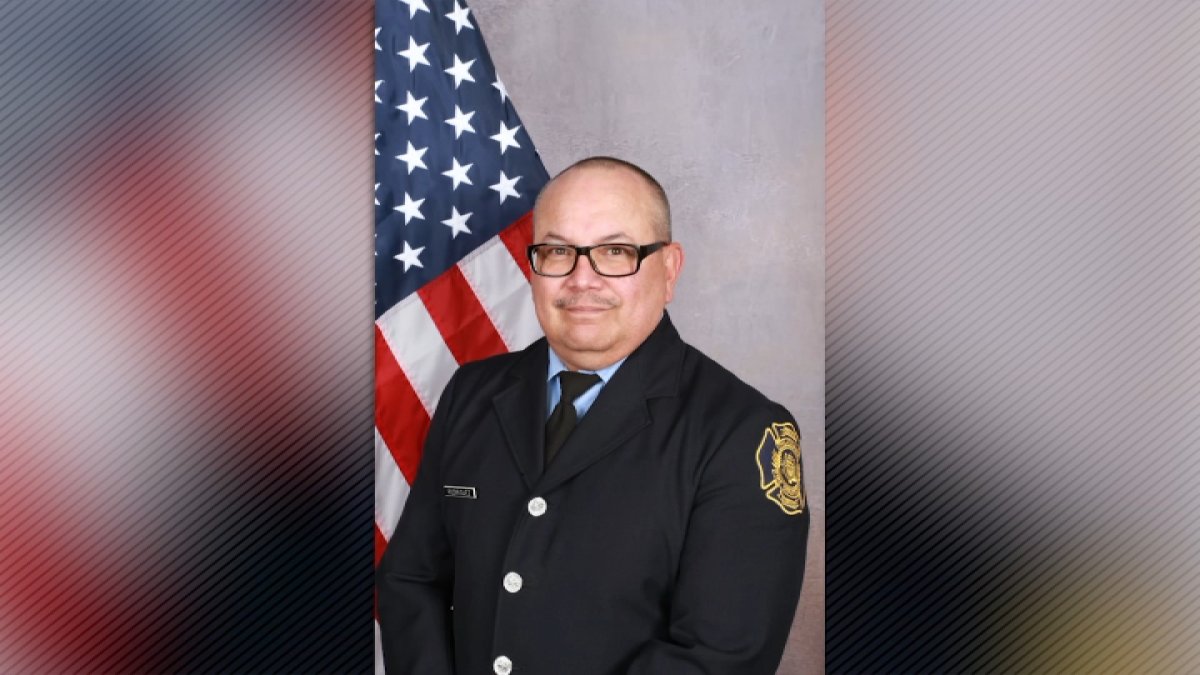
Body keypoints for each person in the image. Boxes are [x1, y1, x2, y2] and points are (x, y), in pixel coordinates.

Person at [377, 157, 809, 674]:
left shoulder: (741, 431)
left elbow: (716, 657)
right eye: (558, 251)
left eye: (615, 252)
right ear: (533, 264)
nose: (582, 279)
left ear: (669, 269)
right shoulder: (473, 393)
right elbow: (412, 580)